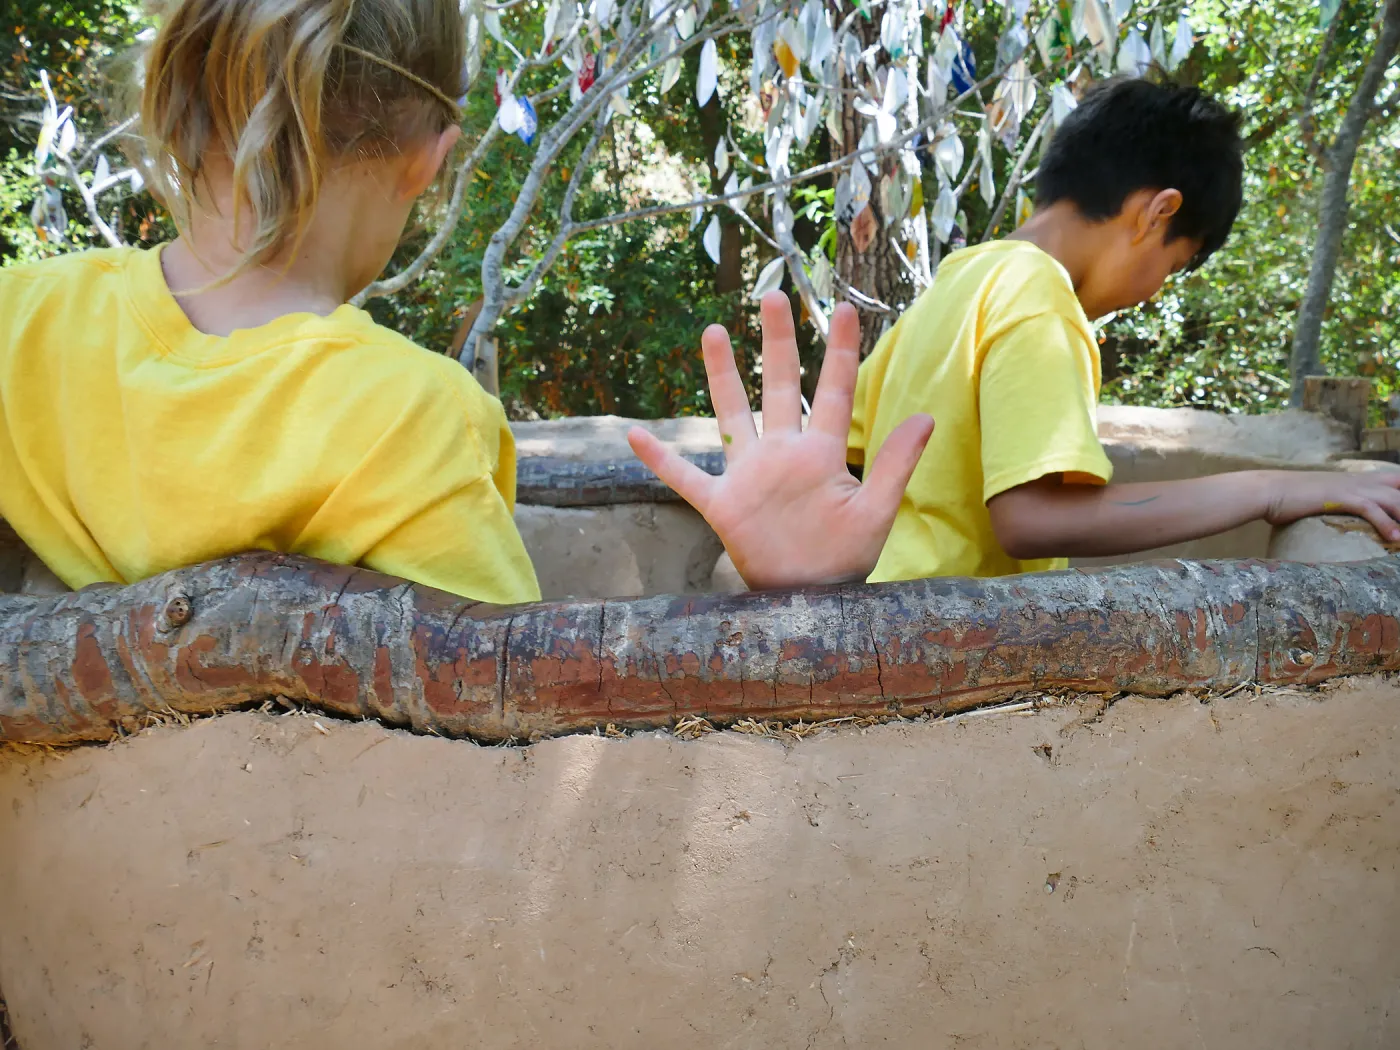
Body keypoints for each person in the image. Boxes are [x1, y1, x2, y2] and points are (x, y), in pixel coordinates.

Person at [0, 0, 930, 602]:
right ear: (431, 157)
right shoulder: (412, 417)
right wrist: (778, 586)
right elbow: (505, 726)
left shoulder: (22, 320)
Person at [843, 77, 1400, 584]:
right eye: (1173, 265)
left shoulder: (957, 282)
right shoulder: (1040, 298)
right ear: (1157, 213)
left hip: (879, 611)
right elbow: (1028, 518)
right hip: (935, 644)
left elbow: (853, 453)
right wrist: (1269, 488)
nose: (1154, 290)